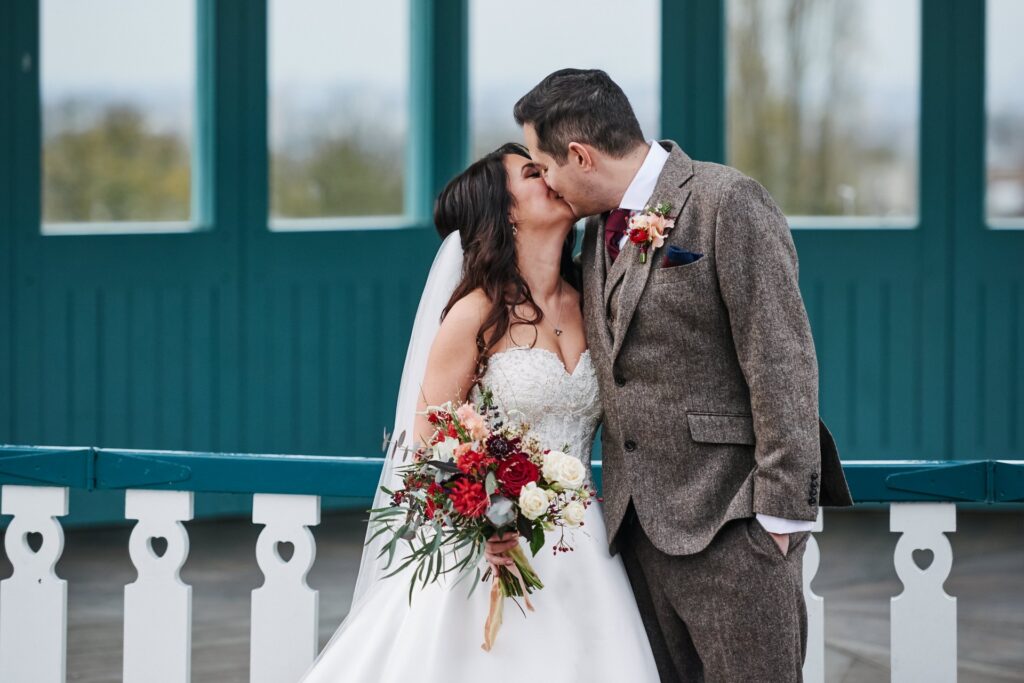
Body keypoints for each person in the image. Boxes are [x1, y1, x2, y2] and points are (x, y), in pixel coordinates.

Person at [487, 68, 854, 682]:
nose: (545, 181)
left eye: (545, 166)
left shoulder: (726, 202)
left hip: (735, 528)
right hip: (634, 542)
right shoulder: (591, 238)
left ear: (580, 155)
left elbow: (783, 359)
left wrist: (779, 524)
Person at [297, 142, 660, 682]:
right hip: (490, 549)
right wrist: (493, 519)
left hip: (583, 549)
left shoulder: (595, 301)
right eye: (534, 173)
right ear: (504, 210)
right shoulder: (474, 315)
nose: (554, 177)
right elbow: (426, 452)